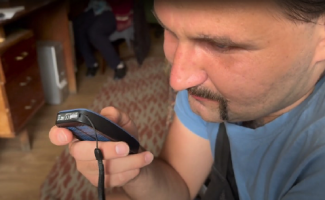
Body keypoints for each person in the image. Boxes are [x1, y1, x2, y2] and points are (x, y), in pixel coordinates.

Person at [50, 0, 325, 199]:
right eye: (169, 29)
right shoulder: (211, 92)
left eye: (221, 45)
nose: (178, 80)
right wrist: (133, 168)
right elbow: (179, 184)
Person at [71, 0, 133, 78]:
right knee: (76, 25)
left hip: (113, 10)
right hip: (97, 8)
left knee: (94, 32)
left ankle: (118, 65)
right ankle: (91, 63)